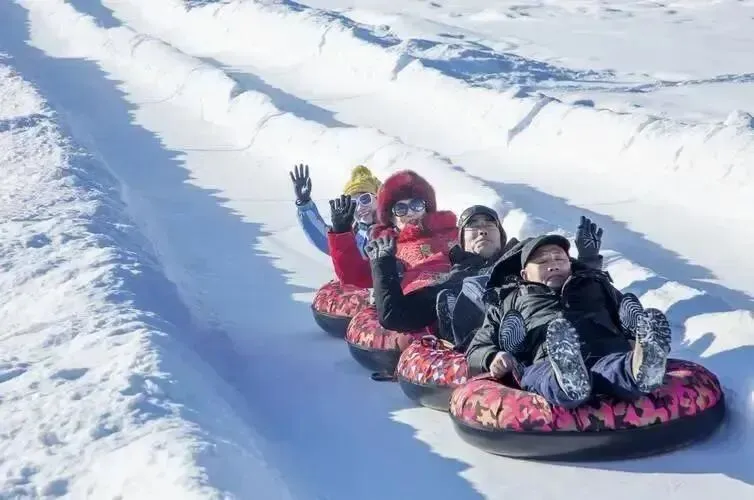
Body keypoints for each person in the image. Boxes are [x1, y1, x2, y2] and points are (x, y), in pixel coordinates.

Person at [465, 232, 672, 409]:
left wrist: (634, 337)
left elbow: (626, 313)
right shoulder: (509, 301)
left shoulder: (596, 286)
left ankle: (641, 369)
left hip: (605, 352)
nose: (553, 265)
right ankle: (568, 380)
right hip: (546, 361)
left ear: (570, 264)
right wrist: (493, 356)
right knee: (544, 376)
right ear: (524, 274)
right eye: (543, 262)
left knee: (616, 367)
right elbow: (477, 347)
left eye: (560, 259)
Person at [369, 210, 606, 346]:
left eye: (489, 225)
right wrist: (383, 266)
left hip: (556, 315)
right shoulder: (452, 281)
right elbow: (395, 317)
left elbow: (566, 276)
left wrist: (588, 260)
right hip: (500, 337)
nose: (482, 230)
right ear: (461, 241)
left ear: (501, 236)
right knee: (463, 292)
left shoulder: (523, 257)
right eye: (473, 226)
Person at [331, 169, 457, 289]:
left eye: (416, 205)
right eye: (401, 209)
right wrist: (341, 233)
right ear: (391, 218)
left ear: (426, 208)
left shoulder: (450, 233)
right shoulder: (386, 249)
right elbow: (356, 276)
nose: (410, 213)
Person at [289, 163, 381, 256]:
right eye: (353, 203)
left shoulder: (389, 227)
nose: (360, 207)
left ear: (377, 199)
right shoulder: (349, 234)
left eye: (365, 199)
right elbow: (323, 238)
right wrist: (304, 203)